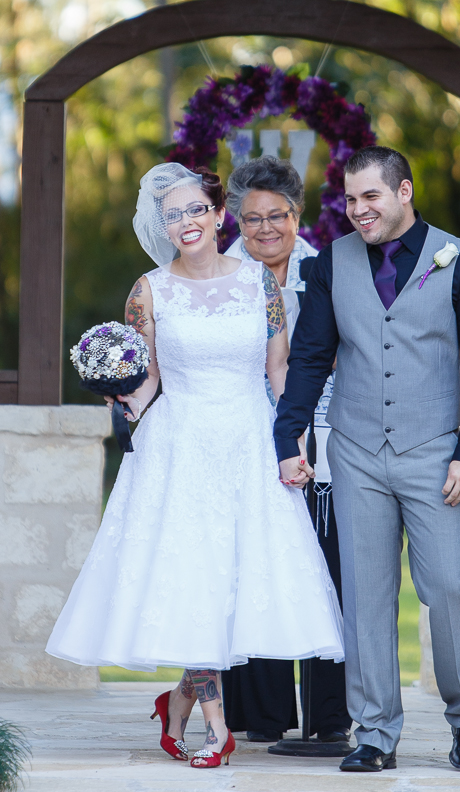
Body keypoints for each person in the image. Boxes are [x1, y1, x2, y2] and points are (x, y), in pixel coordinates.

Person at [46, 162, 344, 769]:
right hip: (178, 448)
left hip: (248, 442)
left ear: (216, 215)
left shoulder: (259, 282)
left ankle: (177, 704)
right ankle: (219, 730)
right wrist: (122, 392)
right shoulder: (147, 290)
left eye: (193, 210)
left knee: (232, 583)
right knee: (195, 582)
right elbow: (149, 375)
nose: (184, 222)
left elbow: (280, 370)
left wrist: (295, 444)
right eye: (171, 213)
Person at [274, 146, 460, 772]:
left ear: (404, 191)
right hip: (355, 450)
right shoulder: (331, 265)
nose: (358, 211)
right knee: (366, 595)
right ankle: (374, 732)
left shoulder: (459, 260)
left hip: (435, 452)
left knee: (450, 585)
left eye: (370, 197)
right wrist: (288, 434)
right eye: (349, 200)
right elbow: (311, 355)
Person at [222, 156, 351, 744]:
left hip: (323, 440)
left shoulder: (329, 271)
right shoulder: (215, 274)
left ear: (299, 215)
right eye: (252, 219)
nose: (266, 228)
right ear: (236, 221)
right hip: (241, 442)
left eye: (278, 215)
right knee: (255, 573)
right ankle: (262, 717)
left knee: (326, 571)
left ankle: (330, 719)